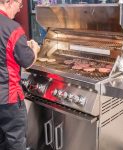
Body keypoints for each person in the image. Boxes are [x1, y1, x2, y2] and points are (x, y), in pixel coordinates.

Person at [0, 0, 40, 150]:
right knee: (15, 141)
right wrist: (34, 49)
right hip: (9, 99)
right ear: (10, 2)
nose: (19, 9)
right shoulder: (13, 28)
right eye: (19, 4)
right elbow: (27, 61)